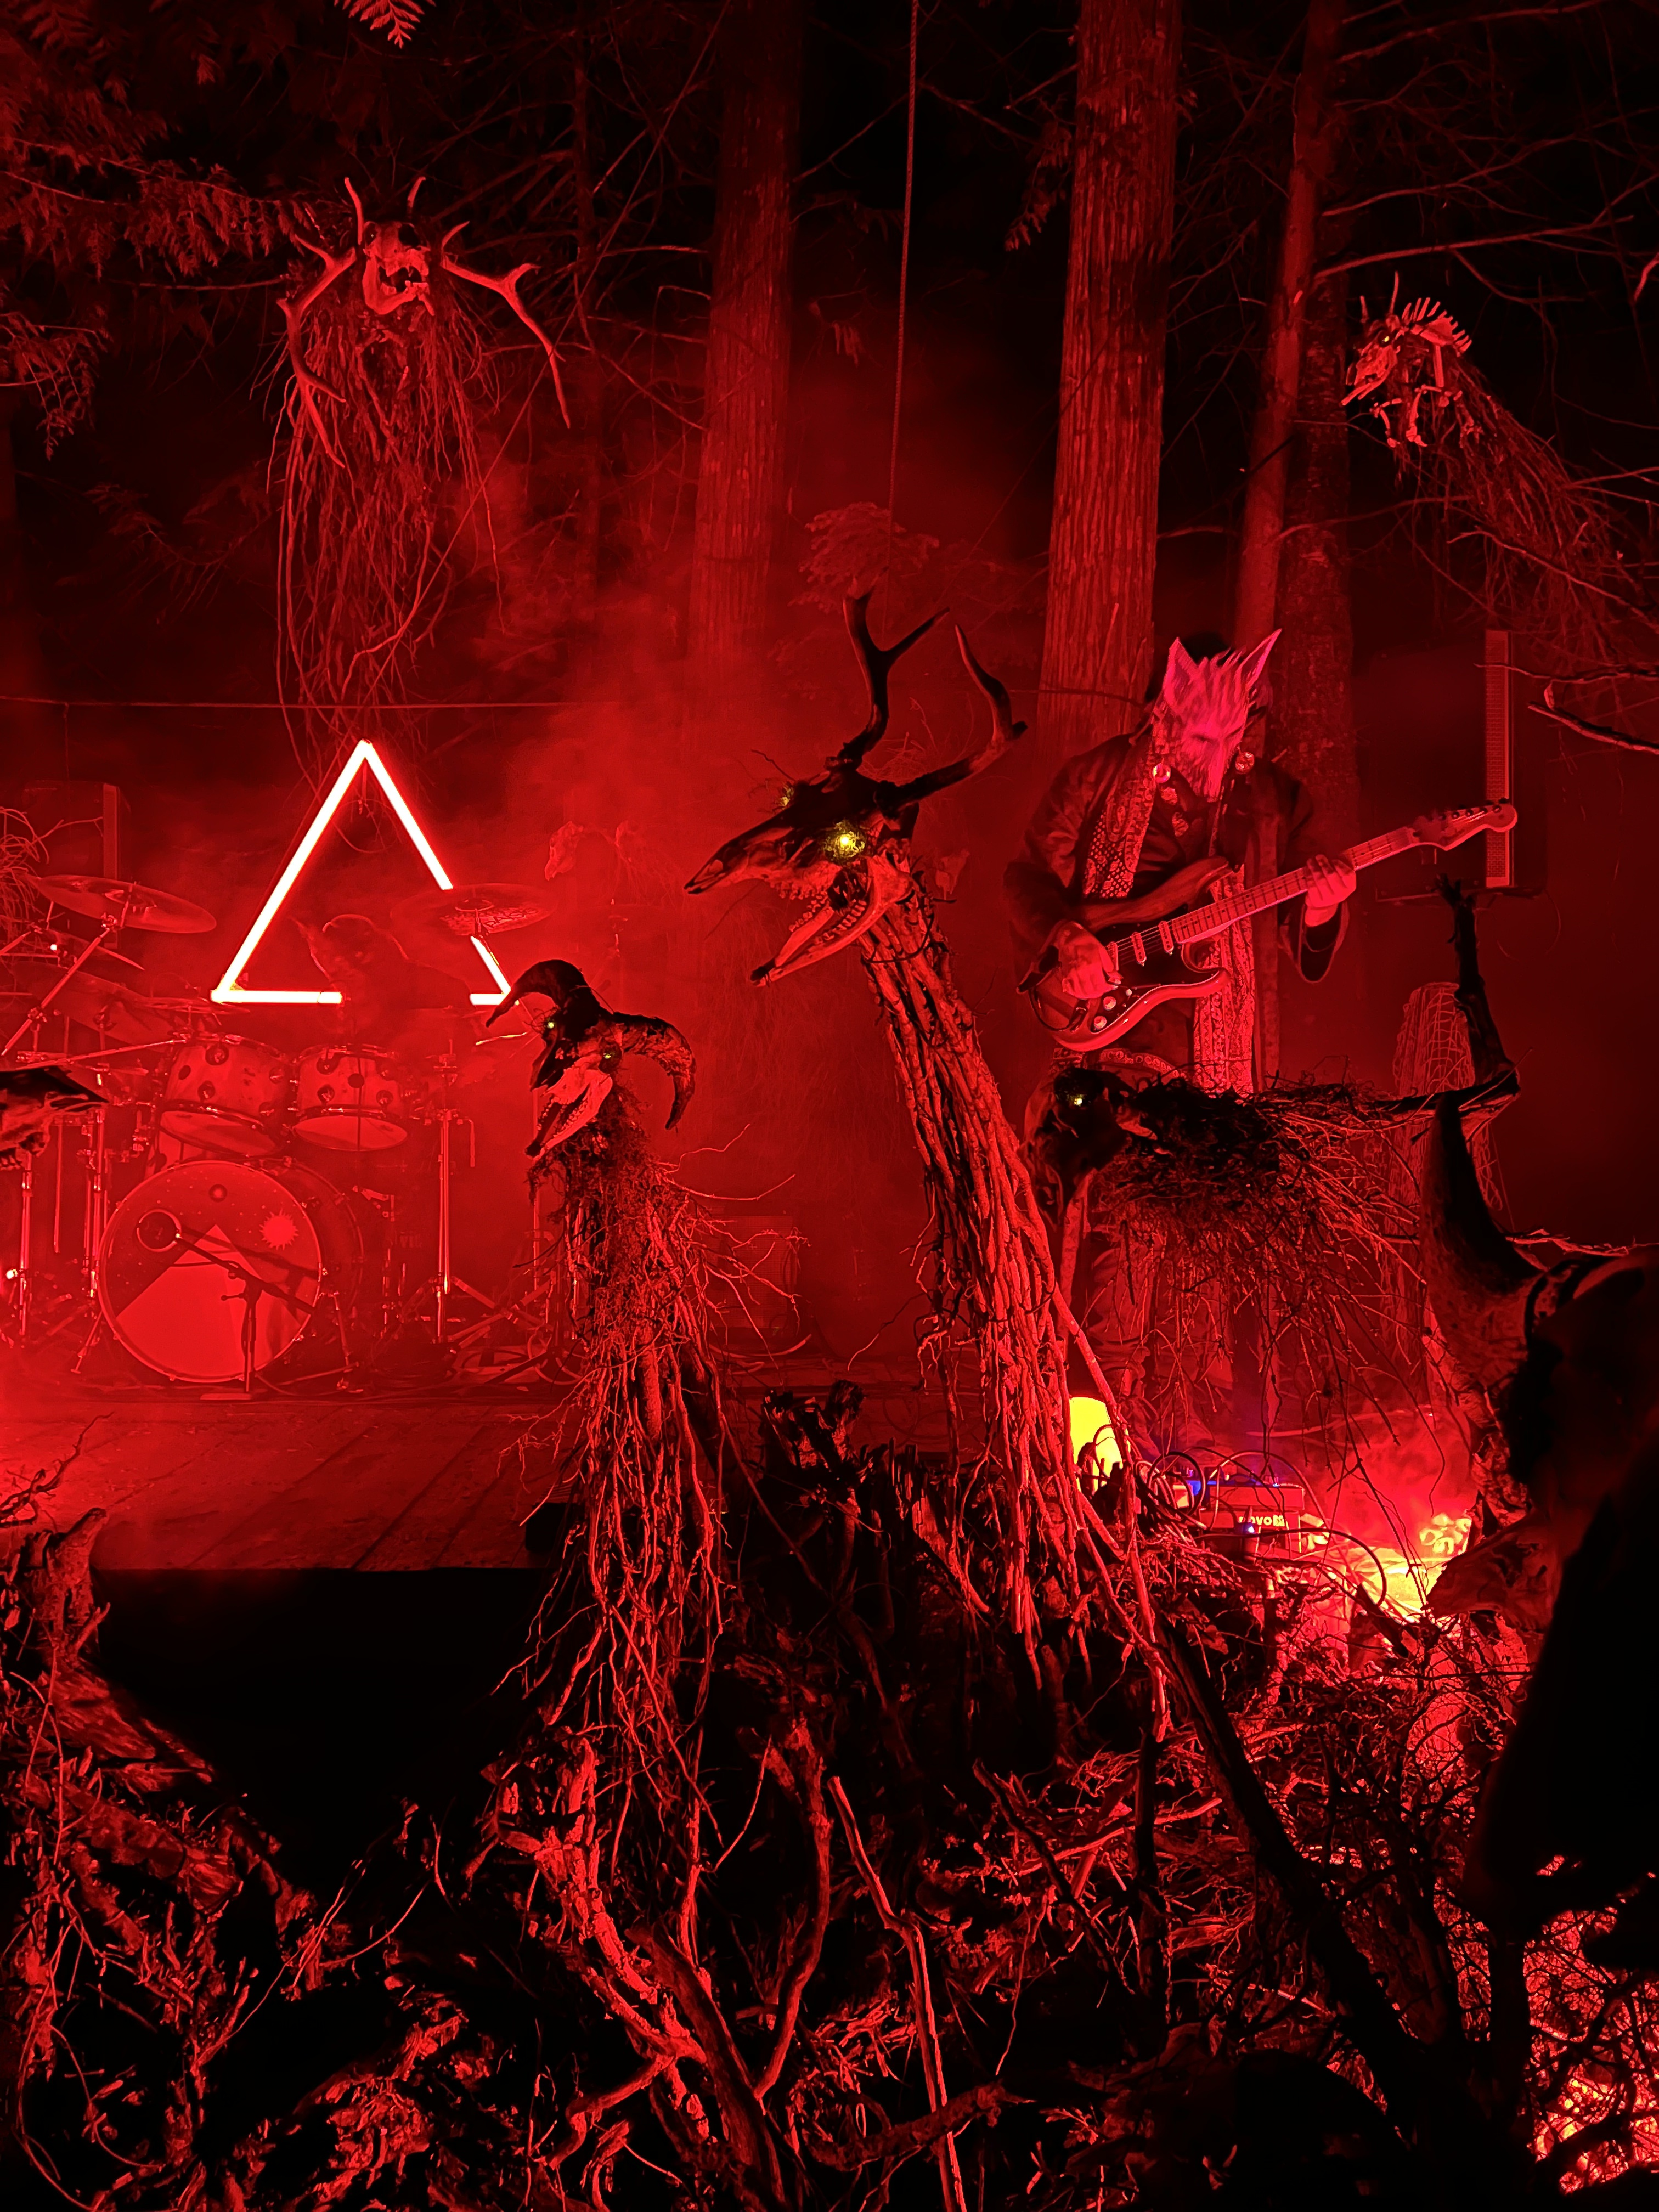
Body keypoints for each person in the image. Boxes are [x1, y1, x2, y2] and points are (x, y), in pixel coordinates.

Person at [1006, 630, 1356, 1435]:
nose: (1212, 751)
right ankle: (1095, 1436)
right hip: (1108, 1042)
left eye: (1228, 735)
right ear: (1163, 714)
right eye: (1198, 734)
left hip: (1215, 1052)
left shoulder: (1270, 800)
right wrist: (1066, 935)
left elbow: (1307, 916)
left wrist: (1324, 904)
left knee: (1205, 1244)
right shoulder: (1099, 776)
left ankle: (1191, 1439)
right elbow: (1026, 874)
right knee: (1116, 1230)